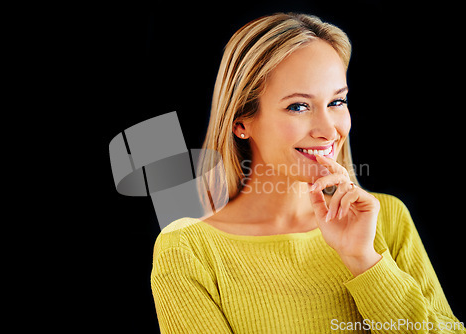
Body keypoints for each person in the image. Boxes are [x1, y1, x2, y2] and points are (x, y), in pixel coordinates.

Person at [150, 13, 465, 333]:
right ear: (241, 122)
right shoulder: (187, 249)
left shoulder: (386, 219)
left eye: (337, 101)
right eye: (299, 106)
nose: (330, 130)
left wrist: (364, 261)